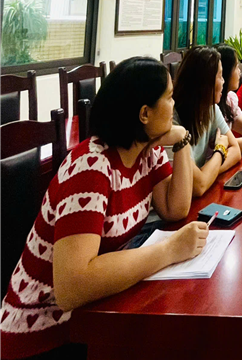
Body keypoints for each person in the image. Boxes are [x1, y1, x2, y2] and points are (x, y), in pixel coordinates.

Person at [0, 57, 207, 359]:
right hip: (42, 334)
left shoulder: (145, 152)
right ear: (145, 113)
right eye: (169, 97)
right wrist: (169, 250)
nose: (174, 104)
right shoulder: (91, 167)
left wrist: (183, 141)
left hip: (93, 315)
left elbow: (175, 209)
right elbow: (72, 287)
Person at [173, 47, 242, 197]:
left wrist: (208, 173)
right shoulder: (174, 122)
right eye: (220, 76)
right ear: (205, 82)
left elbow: (236, 150)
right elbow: (199, 186)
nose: (223, 82)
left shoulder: (211, 109)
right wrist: (220, 150)